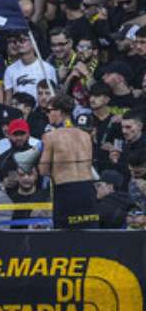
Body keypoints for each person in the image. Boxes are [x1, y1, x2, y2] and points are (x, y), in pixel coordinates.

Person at [38, 93, 99, 229]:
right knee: (91, 235)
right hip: (88, 191)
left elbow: (43, 170)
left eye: (49, 111)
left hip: (66, 191)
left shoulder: (50, 137)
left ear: (59, 112)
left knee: (64, 238)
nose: (47, 114)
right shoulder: (85, 135)